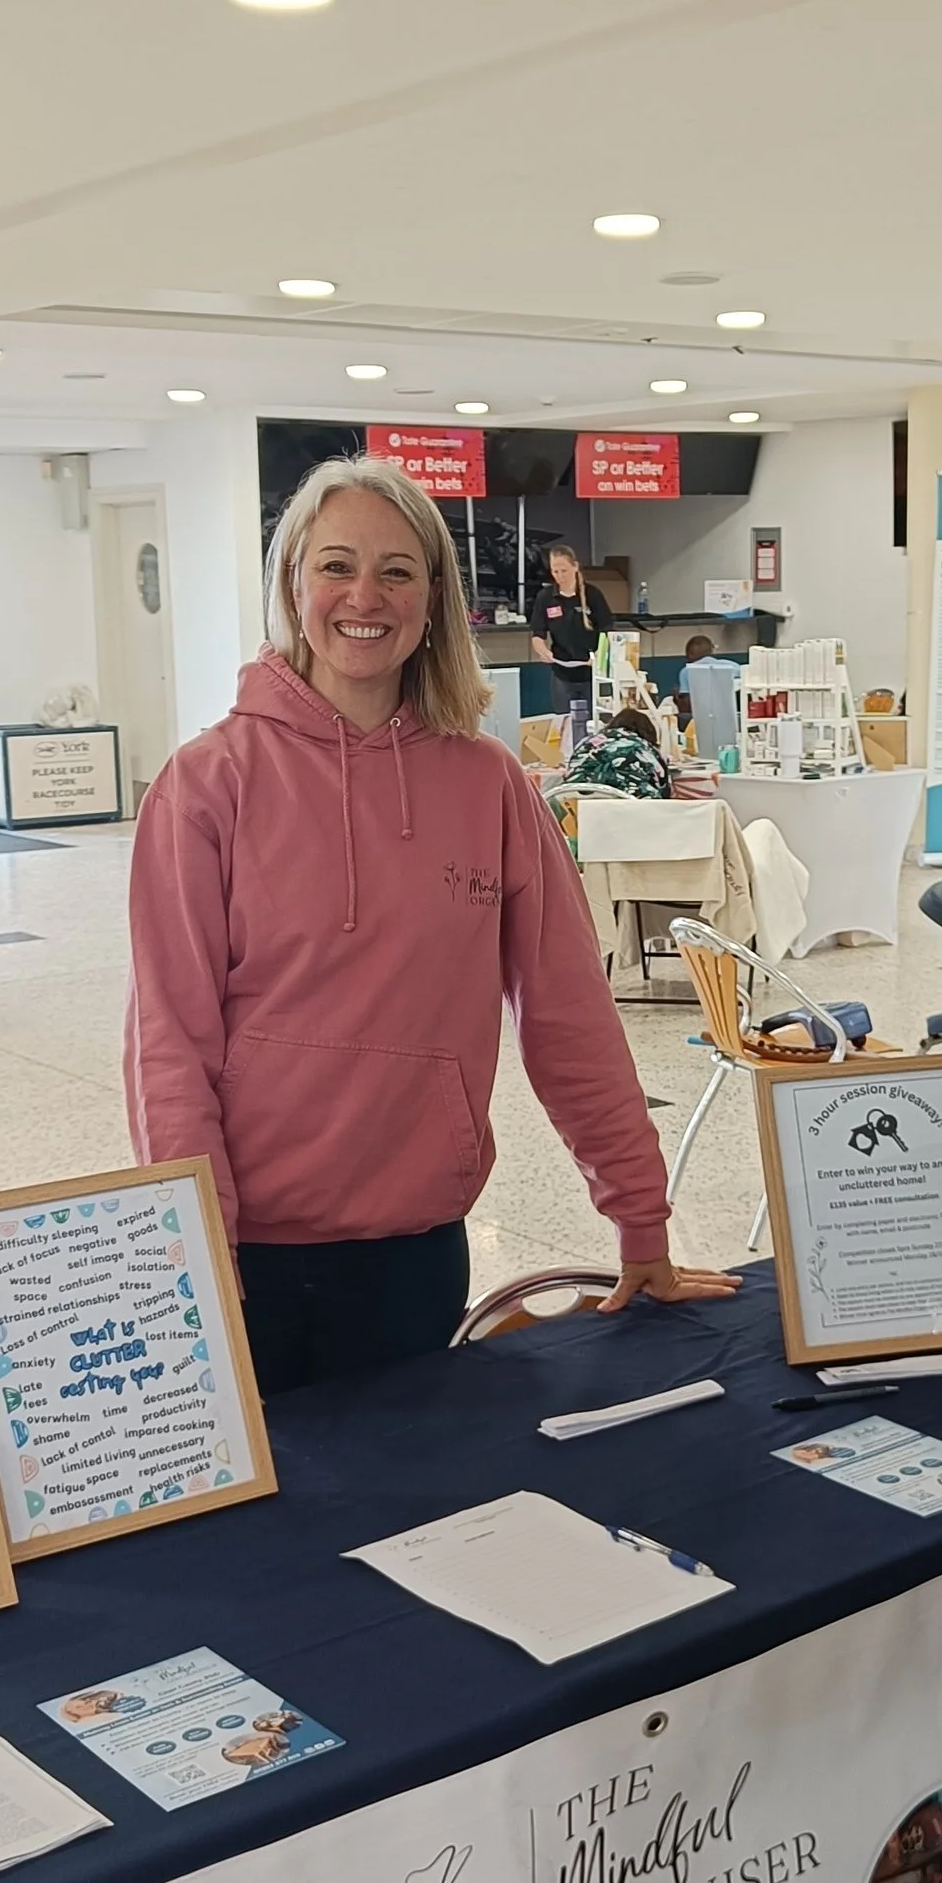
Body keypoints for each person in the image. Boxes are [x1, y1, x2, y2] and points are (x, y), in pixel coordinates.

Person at [125, 457, 737, 1393]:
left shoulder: (486, 782)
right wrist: (191, 1242)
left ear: (432, 597)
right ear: (293, 583)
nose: (363, 596)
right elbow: (169, 1039)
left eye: (397, 571)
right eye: (335, 565)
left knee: (412, 1522)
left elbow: (568, 1012)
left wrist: (640, 1216)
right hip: (242, 1256)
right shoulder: (209, 784)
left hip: (416, 1249)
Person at [527, 538, 610, 750]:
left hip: (592, 672)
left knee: (595, 725)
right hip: (562, 672)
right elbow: (538, 633)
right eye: (555, 571)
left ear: (575, 567)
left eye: (563, 570)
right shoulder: (546, 597)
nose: (559, 576)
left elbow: (607, 631)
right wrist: (542, 650)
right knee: (564, 723)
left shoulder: (593, 595)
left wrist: (600, 657)